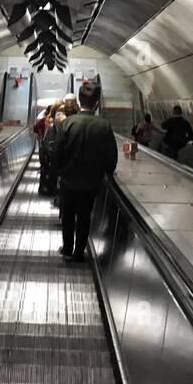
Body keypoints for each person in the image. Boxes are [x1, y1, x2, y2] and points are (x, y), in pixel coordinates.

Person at [53, 81, 117, 263]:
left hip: (68, 180)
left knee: (67, 215)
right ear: (97, 103)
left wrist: (60, 172)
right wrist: (105, 173)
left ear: (80, 102)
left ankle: (67, 249)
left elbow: (57, 151)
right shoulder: (104, 126)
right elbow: (111, 158)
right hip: (91, 183)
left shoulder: (68, 124)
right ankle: (79, 253)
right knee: (84, 216)